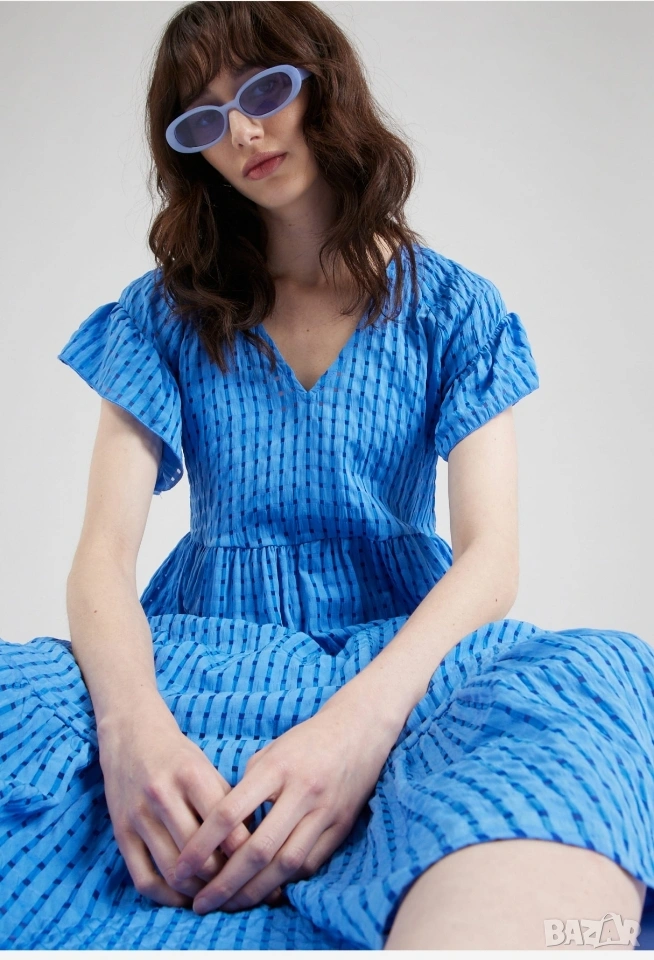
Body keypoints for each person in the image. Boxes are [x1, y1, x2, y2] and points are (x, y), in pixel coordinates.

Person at [1, 0, 653, 951]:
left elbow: (492, 558)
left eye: (264, 89)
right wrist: (133, 727)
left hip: (406, 657)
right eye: (204, 118)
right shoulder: (161, 316)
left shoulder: (456, 311)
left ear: (325, 85)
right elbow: (101, 555)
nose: (243, 133)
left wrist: (360, 728)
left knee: (600, 676)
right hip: (198, 651)